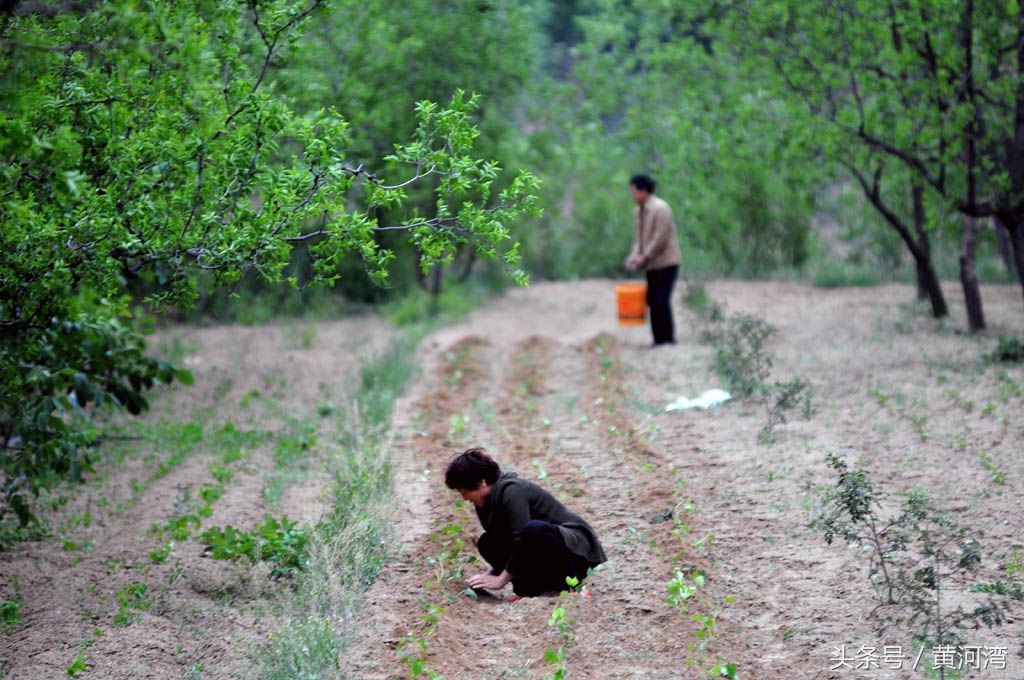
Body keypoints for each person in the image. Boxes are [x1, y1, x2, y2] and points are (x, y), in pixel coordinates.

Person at [444, 448, 607, 598]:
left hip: (575, 551)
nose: (464, 498)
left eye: (465, 491)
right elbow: (505, 541)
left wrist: (501, 580)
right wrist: (489, 575)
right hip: (542, 548)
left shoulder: (512, 490)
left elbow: (523, 537)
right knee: (488, 542)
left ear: (482, 482)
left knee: (533, 530)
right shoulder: (484, 502)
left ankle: (570, 584)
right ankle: (540, 589)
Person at [624, 173, 681, 346]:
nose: (632, 196)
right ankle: (658, 340)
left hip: (666, 262)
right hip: (651, 265)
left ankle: (667, 339)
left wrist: (645, 257)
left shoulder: (661, 208)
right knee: (652, 301)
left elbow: (660, 237)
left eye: (634, 192)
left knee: (661, 301)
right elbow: (639, 239)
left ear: (643, 191)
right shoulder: (639, 211)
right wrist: (634, 257)